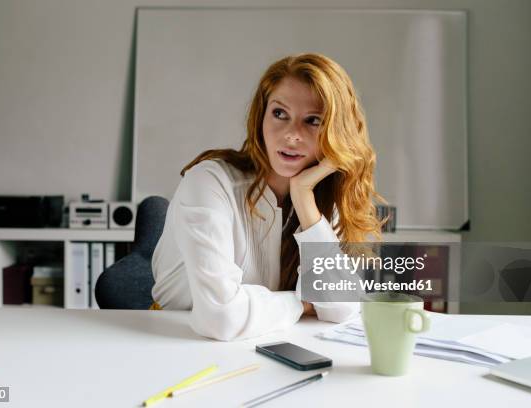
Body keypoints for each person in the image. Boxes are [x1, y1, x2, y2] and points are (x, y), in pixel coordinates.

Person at [151, 53, 385, 341]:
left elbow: (341, 307)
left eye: (313, 121)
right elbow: (221, 318)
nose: (291, 135)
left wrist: (304, 199)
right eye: (279, 113)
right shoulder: (210, 183)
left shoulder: (320, 199)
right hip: (173, 345)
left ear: (335, 133)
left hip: (261, 344)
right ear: (260, 116)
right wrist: (300, 302)